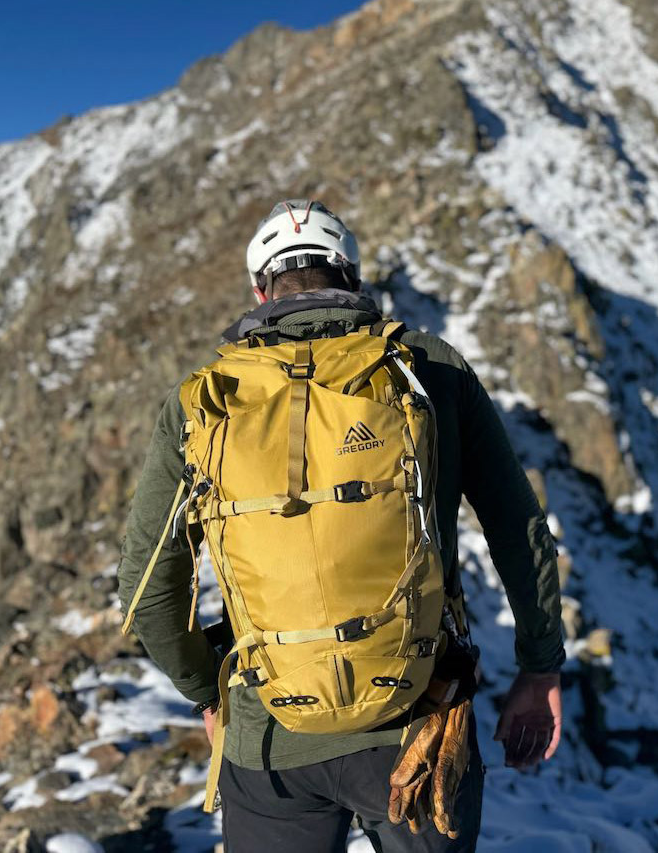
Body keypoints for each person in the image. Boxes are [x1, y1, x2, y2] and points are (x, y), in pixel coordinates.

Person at [118, 200, 564, 852]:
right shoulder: (430, 367)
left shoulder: (205, 398)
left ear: (260, 289)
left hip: (267, 734)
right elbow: (518, 529)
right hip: (418, 719)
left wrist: (207, 695)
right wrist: (539, 667)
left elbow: (150, 585)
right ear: (351, 277)